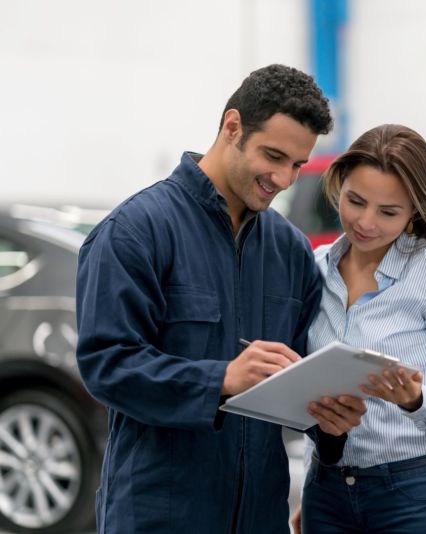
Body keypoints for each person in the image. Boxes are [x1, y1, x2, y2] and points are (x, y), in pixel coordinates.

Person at [76, 64, 366, 534]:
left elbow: (301, 380)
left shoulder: (291, 251)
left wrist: (329, 426)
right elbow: (108, 365)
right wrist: (221, 379)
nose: (285, 179)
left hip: (260, 516)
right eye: (273, 156)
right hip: (159, 515)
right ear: (233, 127)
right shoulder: (135, 232)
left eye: (296, 164)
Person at [292, 124, 426, 533]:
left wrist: (415, 399)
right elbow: (316, 396)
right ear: (338, 186)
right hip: (327, 492)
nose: (365, 222)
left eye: (388, 212)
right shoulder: (314, 268)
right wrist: (311, 484)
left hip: (412, 496)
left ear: (416, 210)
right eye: (355, 201)